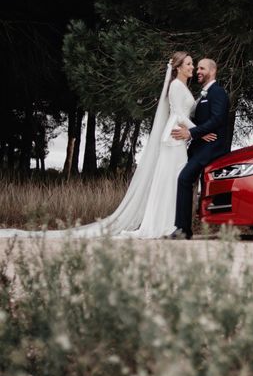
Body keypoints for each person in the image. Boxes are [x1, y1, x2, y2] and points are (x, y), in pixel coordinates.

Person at [0, 52, 217, 239]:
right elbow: (179, 115)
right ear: (178, 67)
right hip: (175, 137)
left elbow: (186, 110)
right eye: (189, 63)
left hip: (178, 136)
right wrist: (199, 133)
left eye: (193, 64)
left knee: (173, 181)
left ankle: (172, 224)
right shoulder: (177, 86)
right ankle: (165, 225)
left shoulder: (182, 87)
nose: (192, 67)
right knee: (170, 181)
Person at [168, 58, 230, 239]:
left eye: (202, 68)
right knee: (183, 180)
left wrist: (192, 133)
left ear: (213, 70)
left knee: (185, 178)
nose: (198, 71)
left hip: (212, 147)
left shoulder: (217, 92)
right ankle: (182, 226)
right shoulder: (203, 94)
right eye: (198, 68)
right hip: (199, 146)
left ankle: (183, 229)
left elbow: (217, 120)